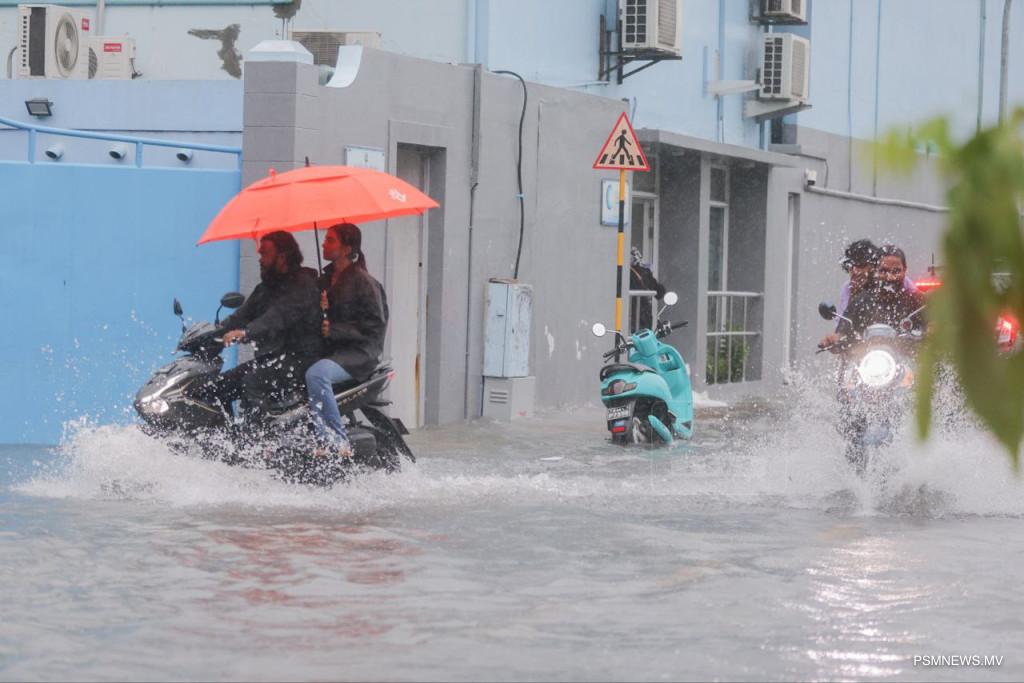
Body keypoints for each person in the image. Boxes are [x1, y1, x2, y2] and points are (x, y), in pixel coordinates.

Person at [216, 231, 321, 419]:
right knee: (222, 383)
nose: (260, 259)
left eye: (264, 254)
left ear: (282, 257)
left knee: (252, 381)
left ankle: (260, 442)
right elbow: (242, 315)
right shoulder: (266, 288)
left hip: (298, 359)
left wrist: (245, 333)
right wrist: (213, 332)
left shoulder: (303, 284)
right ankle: (225, 439)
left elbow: (277, 317)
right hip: (272, 357)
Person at [305, 223, 389, 456]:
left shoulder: (365, 282)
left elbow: (374, 327)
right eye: (324, 239)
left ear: (346, 248)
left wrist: (333, 329)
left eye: (330, 240)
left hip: (358, 355)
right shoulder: (327, 278)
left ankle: (335, 439)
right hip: (334, 352)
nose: (324, 243)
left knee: (317, 374)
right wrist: (322, 308)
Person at [831, 244, 926, 344]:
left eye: (896, 271)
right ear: (875, 271)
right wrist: (832, 341)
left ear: (905, 270)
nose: (890, 277)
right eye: (883, 271)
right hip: (867, 357)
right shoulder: (860, 302)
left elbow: (934, 326)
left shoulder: (915, 301)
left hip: (906, 358)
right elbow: (841, 333)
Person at [629, 246, 665, 331]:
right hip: (641, 317)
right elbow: (659, 292)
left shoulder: (640, 272)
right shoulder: (642, 272)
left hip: (633, 317)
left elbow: (659, 291)